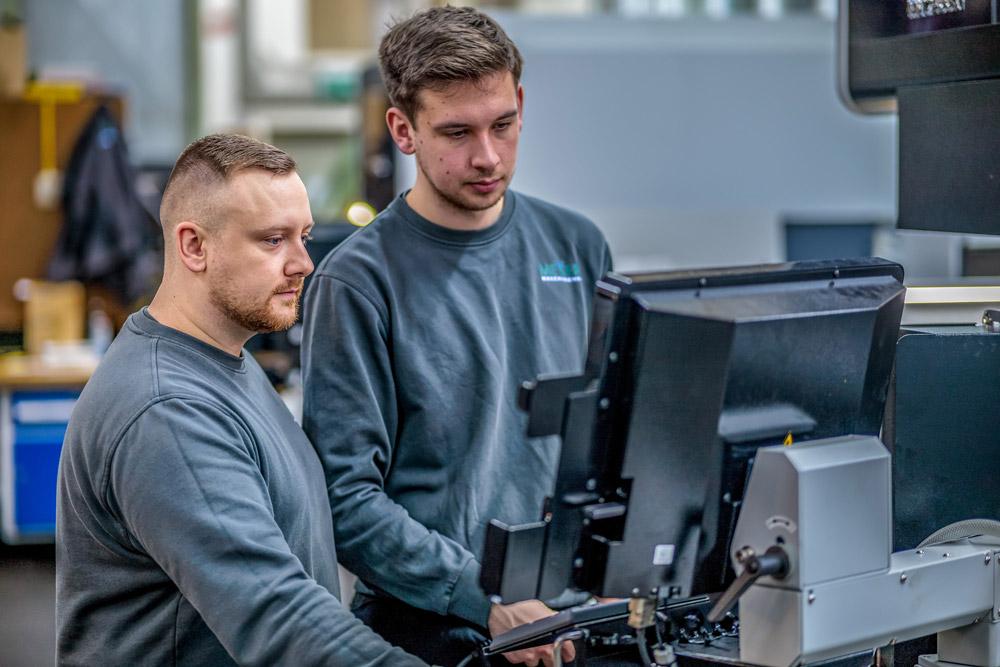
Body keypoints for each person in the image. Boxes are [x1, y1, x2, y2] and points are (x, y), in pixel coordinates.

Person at [300, 7, 612, 666]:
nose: (487, 156)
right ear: (402, 130)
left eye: (502, 124)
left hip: (567, 617)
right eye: (457, 132)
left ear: (521, 103)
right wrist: (484, 595)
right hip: (430, 628)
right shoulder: (358, 281)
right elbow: (345, 499)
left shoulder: (577, 247)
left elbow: (613, 441)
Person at [56, 134, 429, 667]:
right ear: (193, 246)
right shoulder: (167, 410)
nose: (303, 263)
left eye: (302, 236)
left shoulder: (224, 357)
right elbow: (276, 613)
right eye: (273, 240)